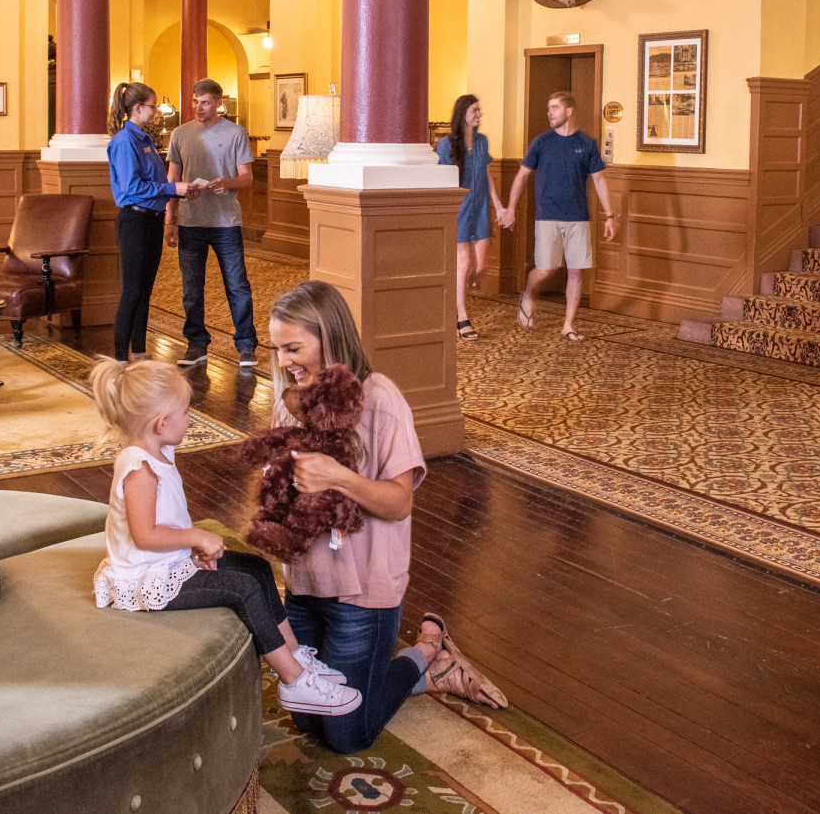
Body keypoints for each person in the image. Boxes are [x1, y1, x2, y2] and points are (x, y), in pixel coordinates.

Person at [267, 281, 506, 753]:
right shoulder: (291, 400)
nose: (283, 362)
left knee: (346, 737)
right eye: (276, 349)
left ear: (331, 338)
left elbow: (400, 504)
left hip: (363, 594)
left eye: (293, 348)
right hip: (305, 585)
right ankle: (411, 665)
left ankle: (425, 656)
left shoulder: (381, 399)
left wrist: (338, 477)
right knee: (307, 718)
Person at [89, 357, 363, 717]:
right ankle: (294, 681)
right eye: (186, 412)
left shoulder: (158, 452)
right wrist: (196, 537)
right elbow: (145, 535)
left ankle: (297, 656)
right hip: (144, 577)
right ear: (161, 422)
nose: (190, 419)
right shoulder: (139, 468)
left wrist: (190, 545)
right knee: (242, 589)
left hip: (168, 562)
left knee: (256, 569)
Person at [501, 92, 616, 342]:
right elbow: (521, 177)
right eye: (548, 107)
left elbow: (599, 180)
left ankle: (568, 324)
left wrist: (610, 215)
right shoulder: (541, 143)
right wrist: (511, 208)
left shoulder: (587, 144)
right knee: (546, 269)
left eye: (554, 107)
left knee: (576, 272)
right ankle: (528, 294)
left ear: (569, 111)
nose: (549, 112)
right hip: (547, 216)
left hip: (578, 218)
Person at [165, 79, 259, 370]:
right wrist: (170, 220)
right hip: (190, 223)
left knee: (238, 286)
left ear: (219, 103)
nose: (197, 107)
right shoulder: (180, 134)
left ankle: (246, 345)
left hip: (226, 223)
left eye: (204, 102)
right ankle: (196, 344)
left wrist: (227, 183)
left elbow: (247, 178)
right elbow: (171, 182)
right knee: (191, 289)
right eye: (194, 101)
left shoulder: (235, 134)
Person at [107, 81, 198, 362]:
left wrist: (179, 190)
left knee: (145, 291)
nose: (156, 110)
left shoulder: (144, 139)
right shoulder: (124, 142)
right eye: (152, 105)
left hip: (152, 221)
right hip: (134, 221)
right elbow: (133, 188)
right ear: (137, 108)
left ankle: (139, 352)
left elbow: (155, 181)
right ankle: (121, 359)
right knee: (133, 291)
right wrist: (174, 189)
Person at [435, 94, 511, 341]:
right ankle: (461, 318)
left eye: (479, 110)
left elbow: (487, 175)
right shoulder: (446, 145)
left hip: (479, 209)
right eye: (475, 110)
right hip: (458, 208)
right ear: (463, 114)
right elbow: (441, 180)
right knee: (464, 262)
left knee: (479, 266)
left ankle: (450, 300)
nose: (479, 114)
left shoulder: (482, 142)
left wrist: (498, 206)